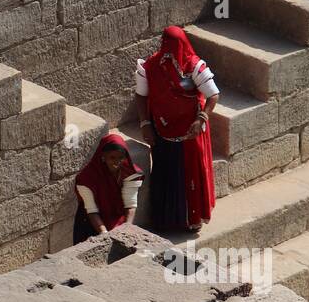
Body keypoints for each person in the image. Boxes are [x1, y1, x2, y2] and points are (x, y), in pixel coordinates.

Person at [135, 25, 218, 233]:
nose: (170, 53)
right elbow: (141, 95)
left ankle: (191, 219)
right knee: (166, 173)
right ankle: (166, 221)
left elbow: (213, 95)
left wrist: (202, 118)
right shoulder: (150, 67)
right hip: (162, 128)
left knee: (190, 174)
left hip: (190, 131)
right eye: (166, 46)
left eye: (174, 47)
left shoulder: (194, 66)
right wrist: (145, 124)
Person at [73, 133, 145, 243]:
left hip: (117, 218)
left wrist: (127, 228)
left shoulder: (130, 173)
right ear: (103, 157)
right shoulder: (87, 178)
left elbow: (130, 205)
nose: (117, 162)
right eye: (112, 158)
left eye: (121, 158)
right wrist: (104, 235)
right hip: (91, 222)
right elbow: (92, 211)